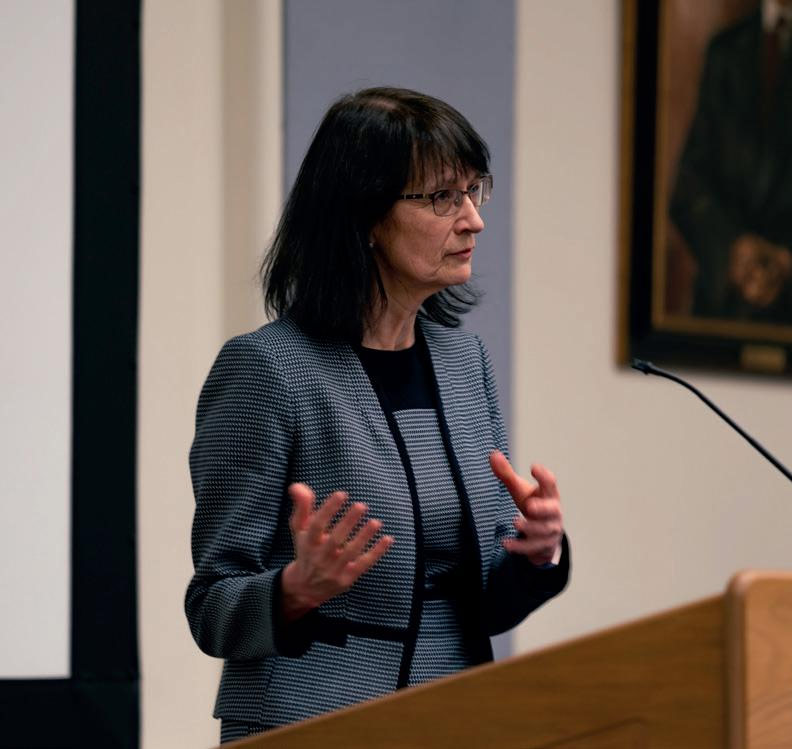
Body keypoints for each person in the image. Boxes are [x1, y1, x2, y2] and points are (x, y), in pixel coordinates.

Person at [185, 87, 570, 743]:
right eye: (443, 197)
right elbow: (212, 604)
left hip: (455, 718)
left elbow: (488, 604)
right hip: (310, 721)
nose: (473, 219)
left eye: (476, 191)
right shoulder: (268, 371)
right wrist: (295, 589)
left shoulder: (463, 361)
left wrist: (537, 552)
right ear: (364, 215)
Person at [669, 0, 792, 329]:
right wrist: (735, 251)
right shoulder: (724, 56)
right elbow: (688, 189)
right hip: (720, 319)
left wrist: (786, 263)